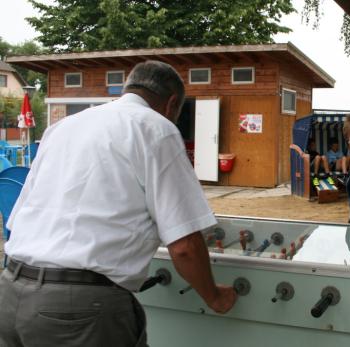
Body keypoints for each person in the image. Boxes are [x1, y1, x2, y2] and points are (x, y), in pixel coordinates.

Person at [0, 60, 237, 347]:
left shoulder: (62, 127)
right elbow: (184, 245)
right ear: (172, 103)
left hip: (10, 294)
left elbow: (17, 218)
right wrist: (214, 296)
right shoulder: (156, 128)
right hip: (79, 311)